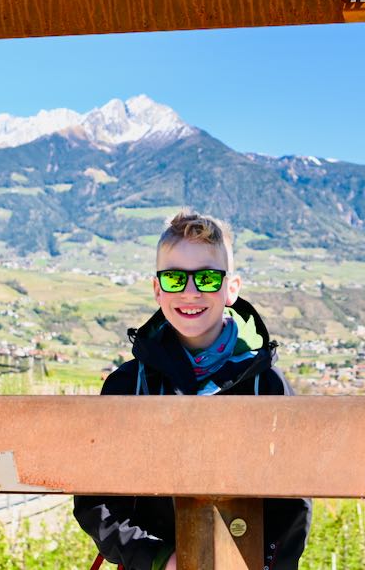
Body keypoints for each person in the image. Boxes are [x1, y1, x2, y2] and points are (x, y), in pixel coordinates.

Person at [74, 211, 311, 570]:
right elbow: (96, 501)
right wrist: (155, 558)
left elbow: (292, 506)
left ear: (231, 288)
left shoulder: (267, 385)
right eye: (174, 278)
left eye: (207, 278)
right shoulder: (128, 386)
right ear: (157, 289)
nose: (190, 292)